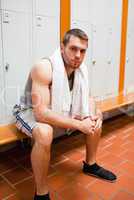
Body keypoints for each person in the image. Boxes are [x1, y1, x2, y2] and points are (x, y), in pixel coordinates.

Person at [13, 28, 116, 200]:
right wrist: (78, 124)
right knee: (45, 132)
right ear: (62, 47)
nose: (78, 55)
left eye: (83, 51)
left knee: (93, 119)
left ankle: (90, 165)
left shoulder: (81, 70)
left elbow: (88, 97)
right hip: (29, 110)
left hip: (58, 108)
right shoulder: (44, 68)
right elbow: (41, 113)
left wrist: (95, 113)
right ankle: (41, 194)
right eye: (73, 49)